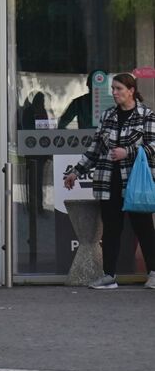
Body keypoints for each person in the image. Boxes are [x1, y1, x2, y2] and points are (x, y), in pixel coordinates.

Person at [63, 73, 155, 290]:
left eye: (119, 89)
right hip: (108, 180)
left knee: (144, 229)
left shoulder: (146, 115)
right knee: (111, 230)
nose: (114, 93)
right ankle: (109, 275)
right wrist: (76, 172)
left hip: (135, 183)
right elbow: (95, 149)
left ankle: (153, 272)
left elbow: (153, 147)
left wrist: (128, 152)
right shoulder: (108, 115)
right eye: (113, 89)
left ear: (131, 90)